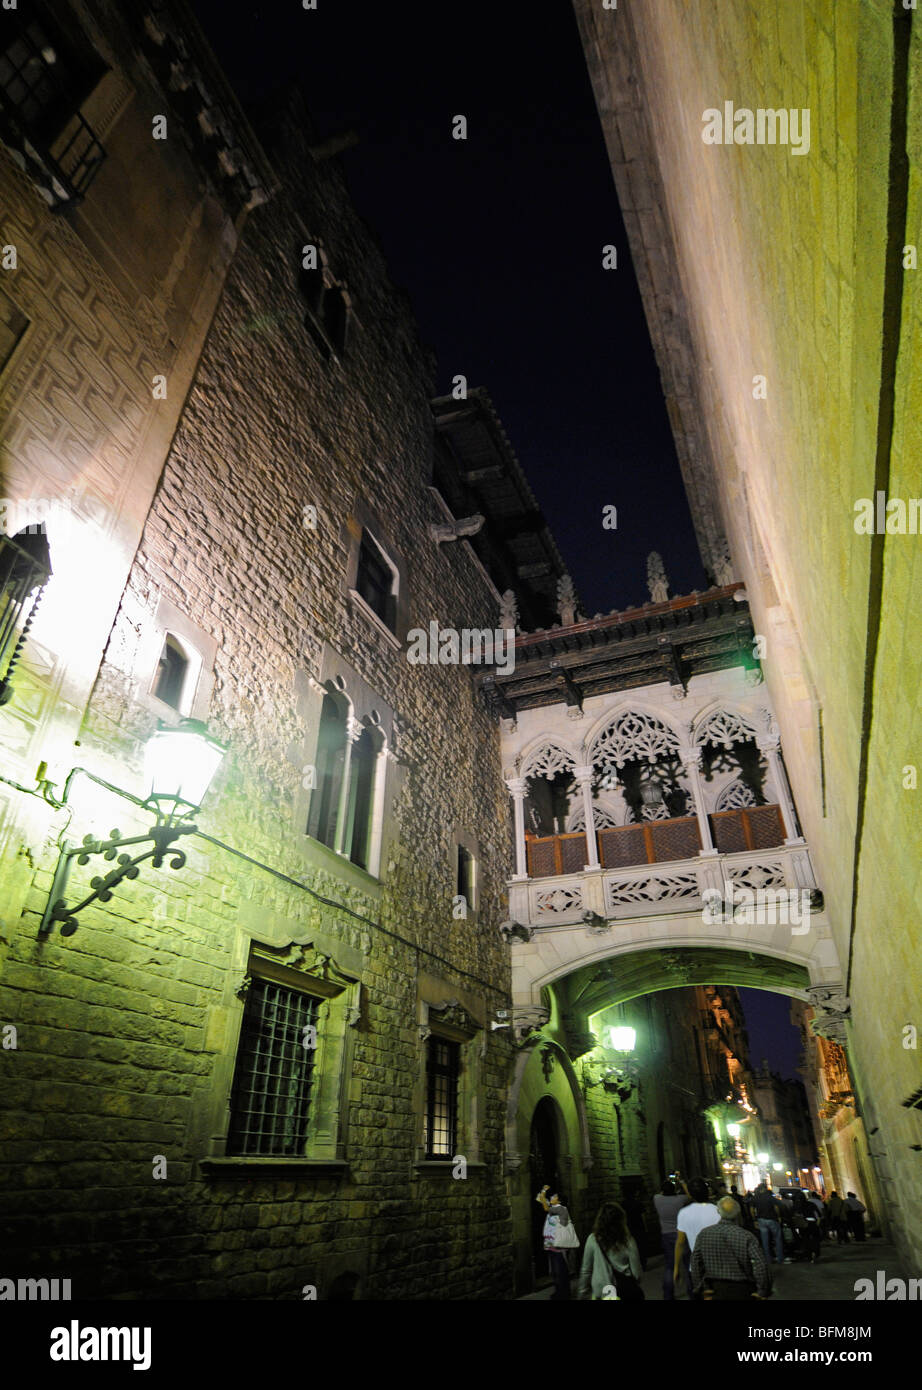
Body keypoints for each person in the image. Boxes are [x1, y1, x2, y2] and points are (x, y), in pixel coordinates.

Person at [690, 1196, 772, 1301]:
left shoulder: (704, 1234)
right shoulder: (747, 1236)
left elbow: (695, 1261)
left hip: (714, 1289)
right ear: (738, 1212)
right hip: (743, 1290)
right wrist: (762, 1291)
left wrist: (700, 1288)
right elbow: (760, 1265)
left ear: (718, 1211)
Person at [578, 1201, 644, 1301]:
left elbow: (586, 1271)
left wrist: (582, 1292)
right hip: (623, 1291)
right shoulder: (628, 1240)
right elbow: (637, 1273)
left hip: (602, 1292)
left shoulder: (592, 1239)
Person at [674, 1179, 720, 1296]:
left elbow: (680, 1243)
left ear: (690, 1194)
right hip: (720, 1264)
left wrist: (676, 1267)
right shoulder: (718, 1210)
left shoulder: (684, 1213)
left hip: (696, 1266)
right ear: (707, 1192)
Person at [653, 1173, 691, 1301]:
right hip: (681, 1235)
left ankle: (668, 1295)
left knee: (670, 1266)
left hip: (666, 1235)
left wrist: (668, 1180)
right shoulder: (679, 1199)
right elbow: (690, 1196)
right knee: (688, 1265)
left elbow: (660, 1192)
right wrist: (681, 1182)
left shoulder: (657, 1199)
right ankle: (692, 1292)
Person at [536, 1184, 575, 1299]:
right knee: (556, 1270)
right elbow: (541, 1200)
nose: (552, 1198)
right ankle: (560, 1291)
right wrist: (543, 1191)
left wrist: (544, 1191)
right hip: (552, 1245)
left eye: (555, 1197)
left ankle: (563, 1293)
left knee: (560, 1270)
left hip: (559, 1246)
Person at [751, 1182, 785, 1264]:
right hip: (772, 1219)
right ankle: (780, 1258)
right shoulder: (770, 1197)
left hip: (761, 1220)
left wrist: (754, 1220)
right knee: (777, 1238)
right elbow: (776, 1207)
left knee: (765, 1241)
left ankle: (768, 1259)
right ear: (765, 1189)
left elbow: (751, 1209)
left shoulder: (755, 1198)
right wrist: (779, 1216)